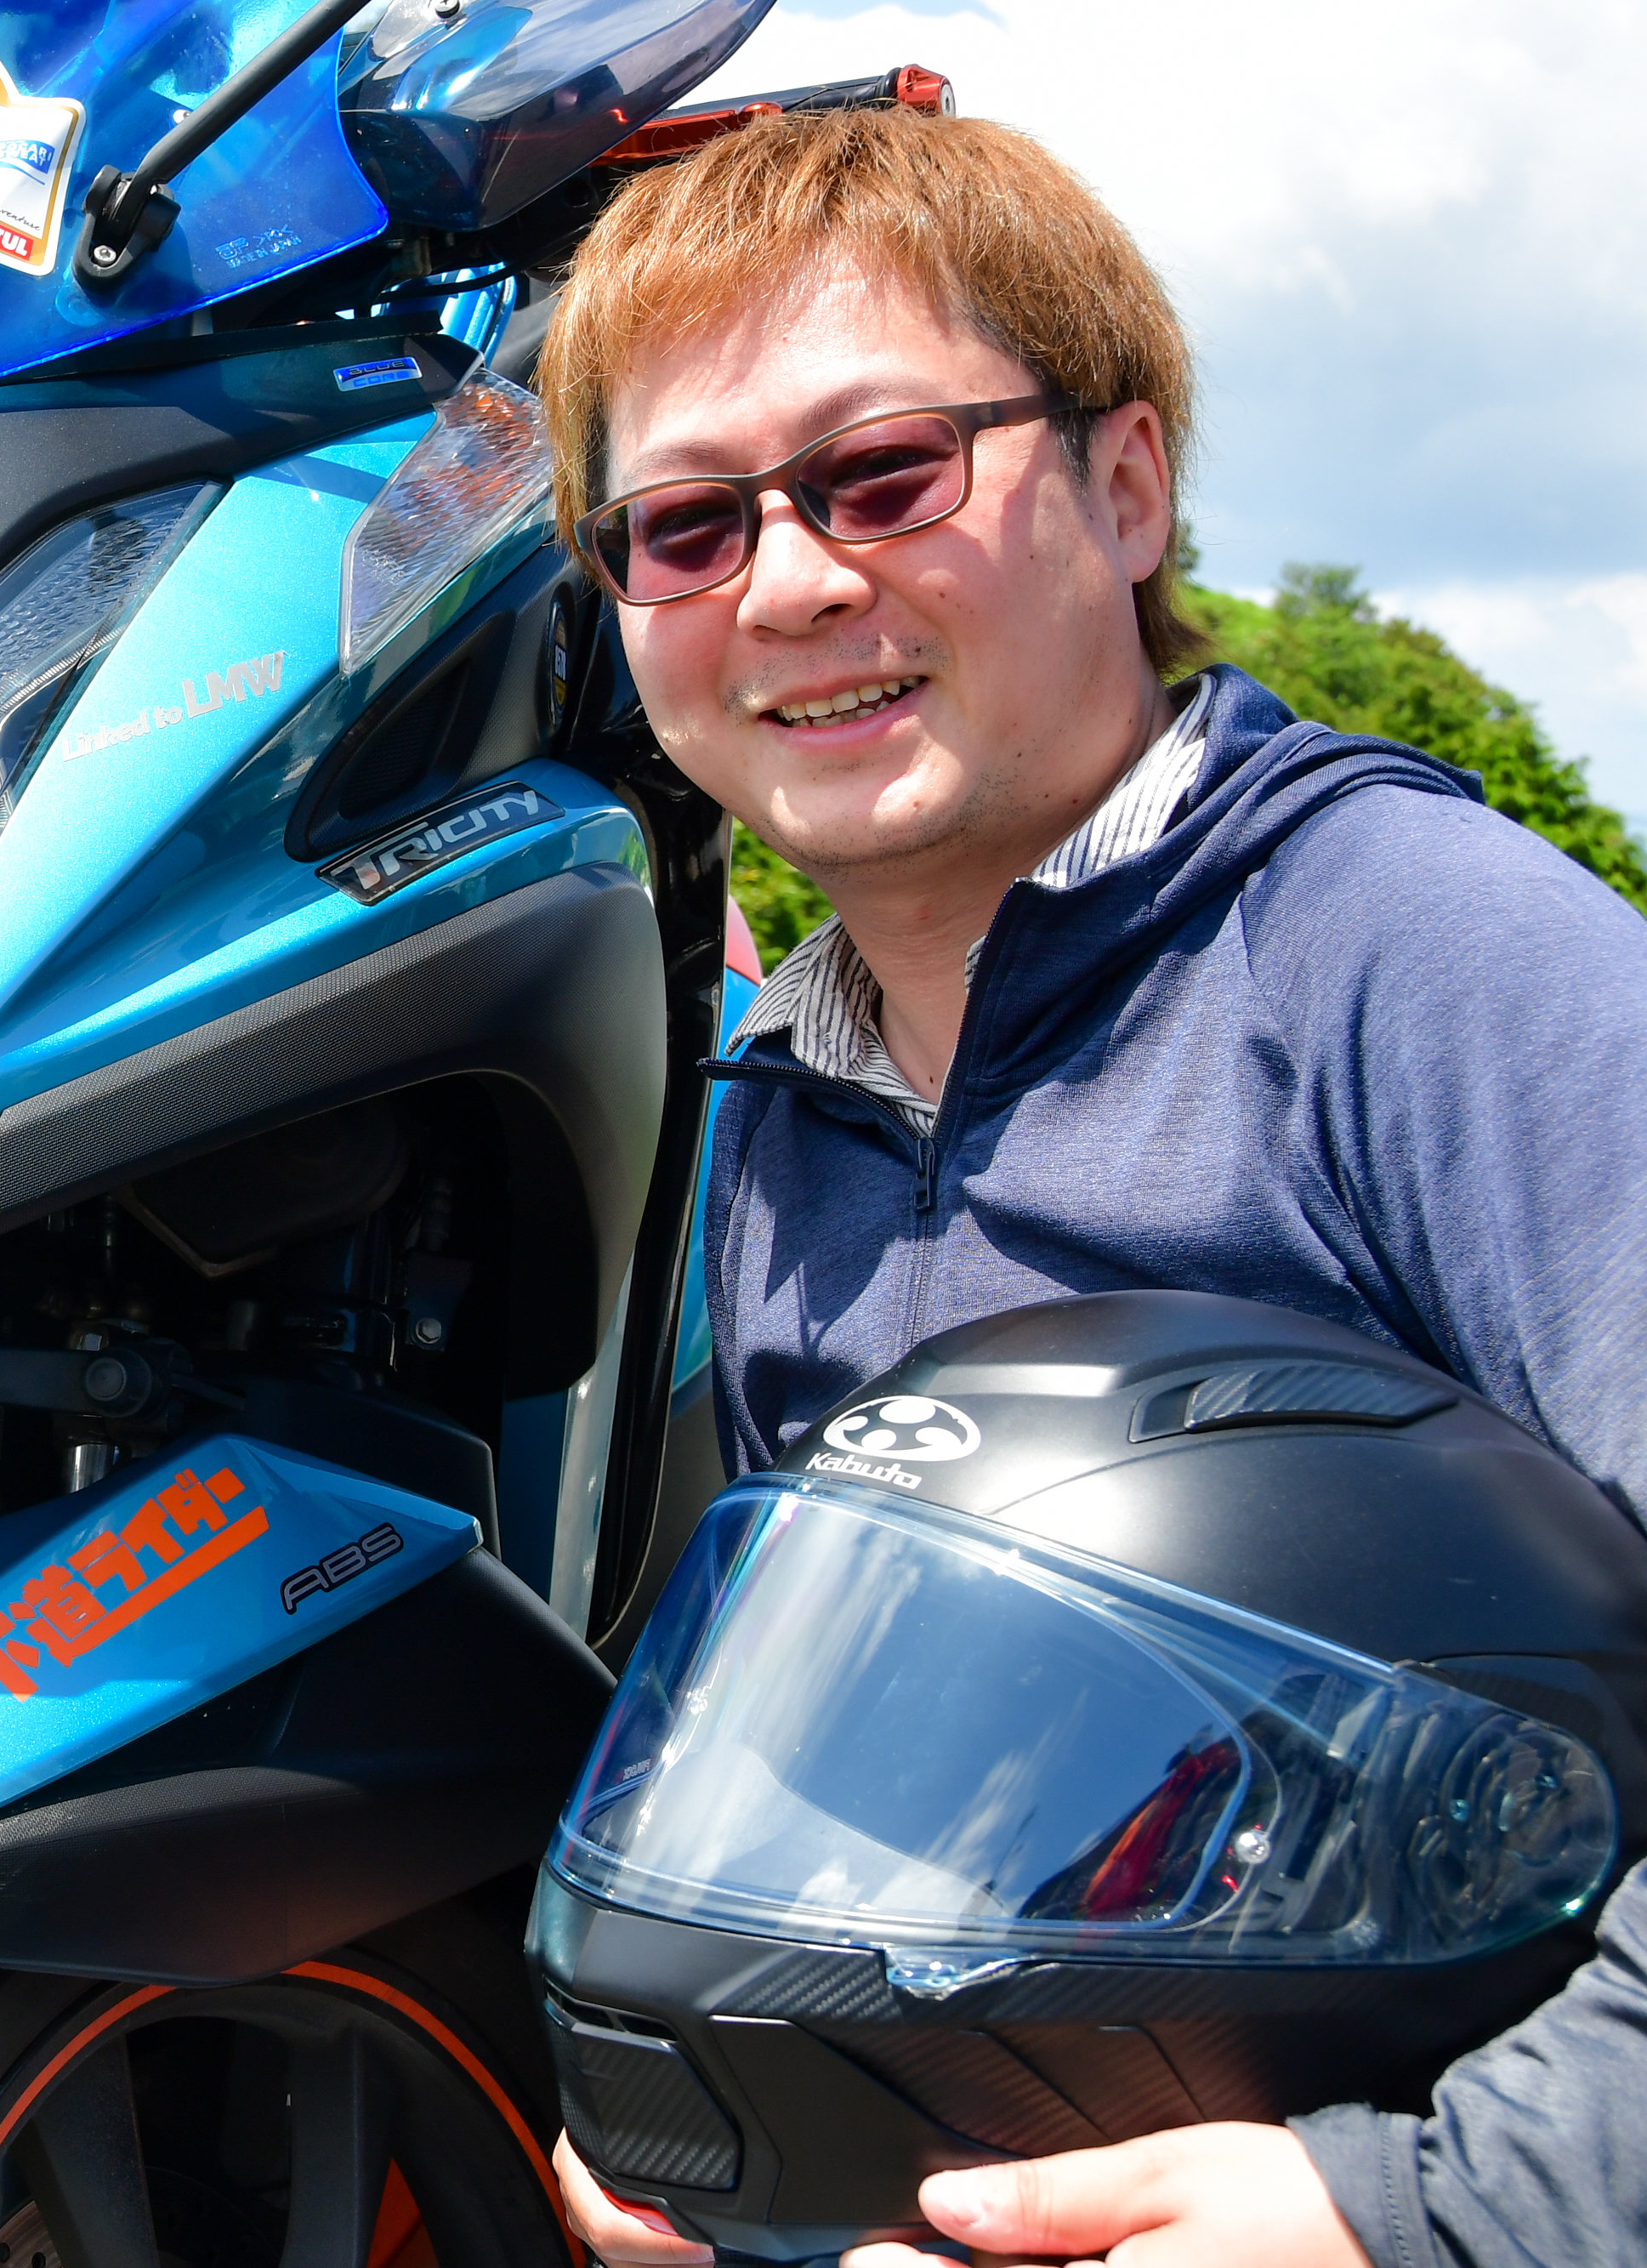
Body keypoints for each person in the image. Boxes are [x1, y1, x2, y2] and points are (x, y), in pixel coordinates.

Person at [525, 105, 1647, 2267]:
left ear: (1122, 487)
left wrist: (1413, 2213)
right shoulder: (772, 1106)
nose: (786, 581)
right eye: (677, 525)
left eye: (883, 476)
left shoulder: (1418, 967)